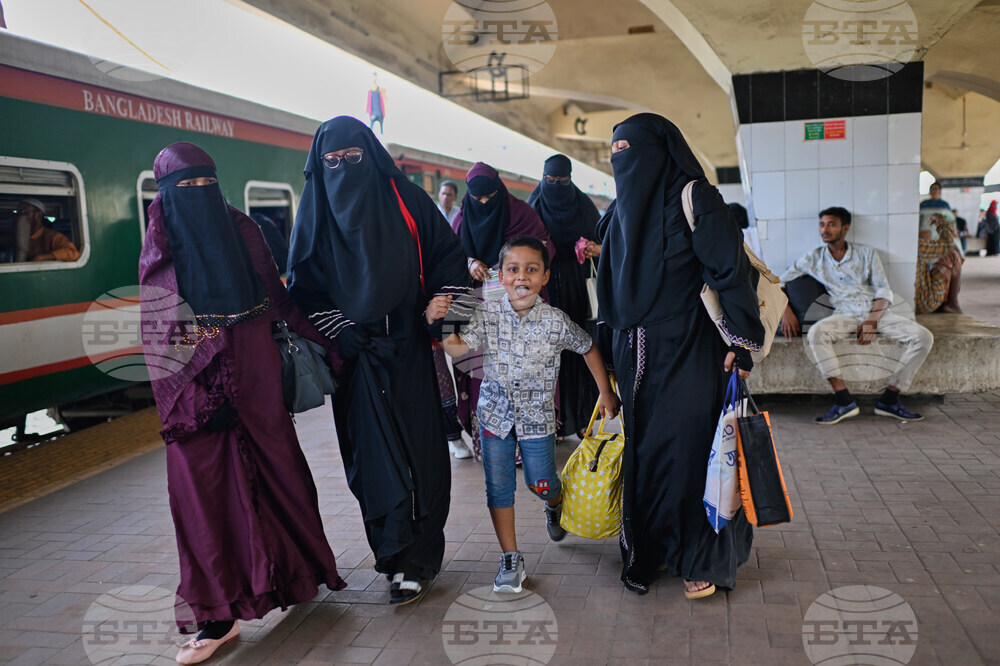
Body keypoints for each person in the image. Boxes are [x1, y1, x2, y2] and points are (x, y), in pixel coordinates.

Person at [139, 142, 346, 665]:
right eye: (184, 187)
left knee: (280, 474)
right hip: (196, 396)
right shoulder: (161, 244)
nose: (197, 195)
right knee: (204, 498)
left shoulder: (244, 230)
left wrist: (333, 343)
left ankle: (299, 575)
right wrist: (197, 390)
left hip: (255, 379)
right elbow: (163, 329)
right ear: (164, 193)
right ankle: (216, 616)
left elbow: (277, 301)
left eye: (205, 183)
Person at [287, 116, 472, 605]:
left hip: (411, 348)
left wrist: (442, 317)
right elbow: (301, 291)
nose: (343, 170)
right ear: (317, 168)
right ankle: (394, 557)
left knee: (424, 455)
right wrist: (339, 332)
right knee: (370, 462)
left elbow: (452, 266)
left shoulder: (408, 201)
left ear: (372, 157)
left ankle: (422, 556)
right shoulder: (316, 212)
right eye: (331, 162)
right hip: (356, 359)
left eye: (353, 158)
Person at [596, 113, 764, 599]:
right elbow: (609, 293)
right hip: (635, 356)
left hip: (690, 349)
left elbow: (731, 271)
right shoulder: (618, 210)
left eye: (631, 149)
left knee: (694, 451)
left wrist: (740, 344)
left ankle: (699, 556)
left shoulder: (697, 198)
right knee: (646, 454)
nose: (622, 160)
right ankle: (649, 551)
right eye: (616, 152)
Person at [442, 235, 619, 592]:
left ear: (545, 277)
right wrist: (450, 317)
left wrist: (605, 392)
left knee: (540, 483)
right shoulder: (486, 314)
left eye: (531, 269)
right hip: (493, 416)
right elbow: (457, 347)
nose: (521, 276)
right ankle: (510, 558)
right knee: (498, 487)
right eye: (513, 269)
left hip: (537, 419)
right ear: (501, 276)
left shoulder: (555, 321)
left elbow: (588, 348)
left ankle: (554, 505)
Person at [779, 206, 934, 424]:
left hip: (876, 314)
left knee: (924, 337)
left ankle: (890, 398)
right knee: (815, 334)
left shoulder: (866, 254)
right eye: (822, 225)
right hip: (844, 314)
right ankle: (843, 401)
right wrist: (786, 312)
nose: (825, 229)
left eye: (831, 224)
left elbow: (883, 290)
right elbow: (778, 282)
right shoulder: (813, 258)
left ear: (845, 228)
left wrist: (872, 321)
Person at [451, 162, 554, 459]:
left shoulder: (521, 213)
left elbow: (543, 248)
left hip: (519, 309)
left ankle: (524, 447)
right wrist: (470, 262)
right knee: (482, 374)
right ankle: (490, 445)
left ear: (500, 190)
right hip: (479, 313)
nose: (484, 204)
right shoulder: (461, 218)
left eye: (489, 198)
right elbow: (448, 255)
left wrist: (512, 265)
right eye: (477, 199)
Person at [527, 154, 602, 440]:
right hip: (546, 288)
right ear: (543, 178)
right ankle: (557, 421)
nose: (556, 186)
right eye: (551, 181)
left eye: (562, 181)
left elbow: (599, 238)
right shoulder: (534, 207)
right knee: (550, 352)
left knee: (580, 348)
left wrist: (591, 247)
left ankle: (583, 417)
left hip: (577, 288)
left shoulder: (583, 205)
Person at [915, 212, 964, 314]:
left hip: (899, 305)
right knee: (953, 255)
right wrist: (940, 221)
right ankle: (952, 304)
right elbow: (948, 244)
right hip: (924, 304)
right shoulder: (917, 246)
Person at [19, 197, 80, 262]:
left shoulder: (53, 237)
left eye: (25, 212)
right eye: (19, 212)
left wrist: (42, 257)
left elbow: (73, 253)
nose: (20, 216)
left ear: (38, 214)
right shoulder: (17, 235)